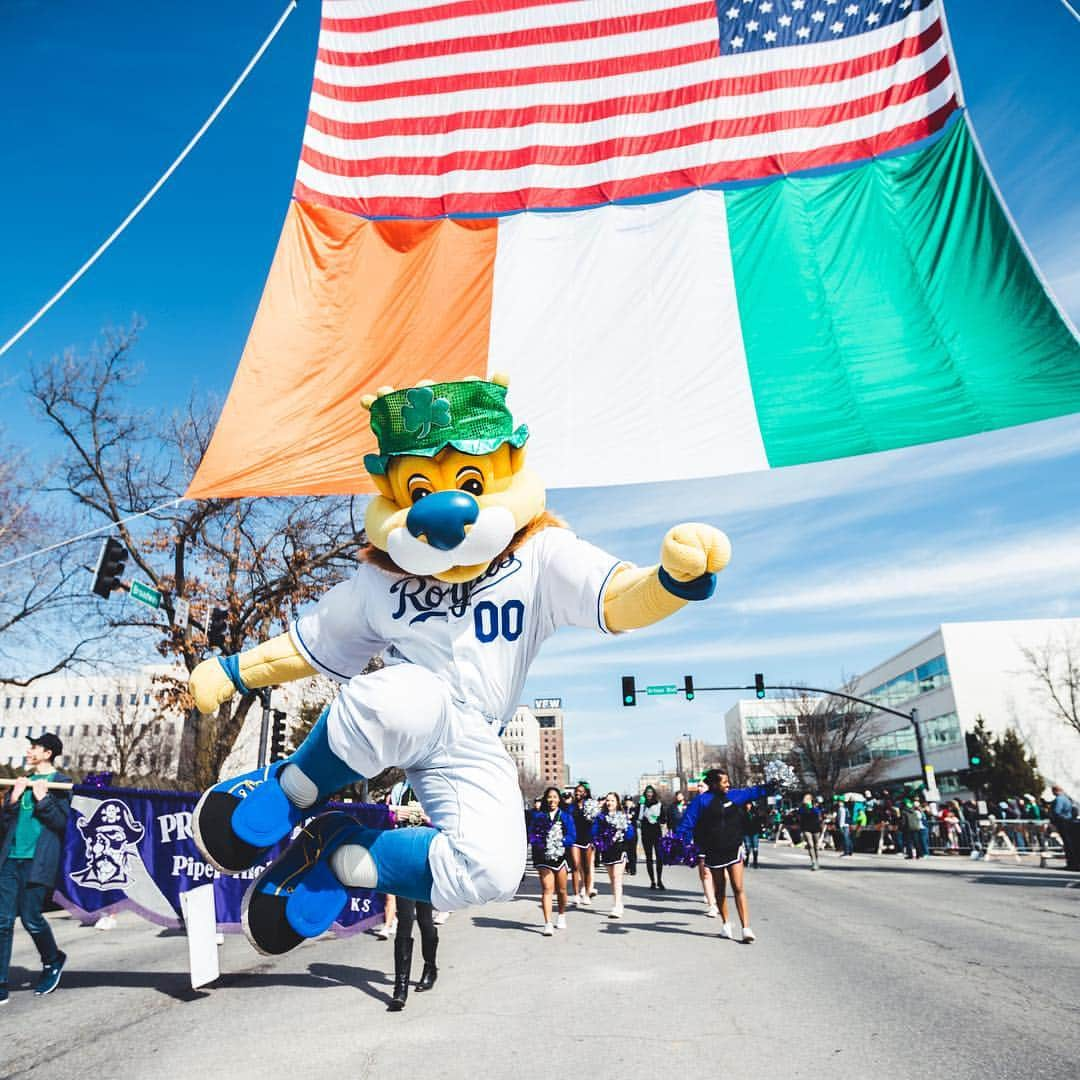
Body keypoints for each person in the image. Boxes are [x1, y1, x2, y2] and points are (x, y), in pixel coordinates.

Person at [0, 734, 72, 1004]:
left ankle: (53, 959)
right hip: (10, 859)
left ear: (48, 752)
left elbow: (63, 824)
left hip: (37, 861)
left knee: (31, 919)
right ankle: (1, 981)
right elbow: (6, 824)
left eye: (34, 747)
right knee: (2, 921)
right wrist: (14, 799)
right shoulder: (20, 781)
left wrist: (43, 800)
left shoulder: (62, 784)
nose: (29, 751)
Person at [677, 769, 771, 943]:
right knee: (720, 889)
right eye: (724, 782)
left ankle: (746, 928)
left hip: (733, 847)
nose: (728, 784)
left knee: (738, 887)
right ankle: (726, 923)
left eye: (728, 781)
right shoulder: (701, 801)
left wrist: (772, 787)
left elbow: (754, 792)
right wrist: (679, 841)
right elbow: (687, 823)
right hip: (713, 851)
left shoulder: (734, 796)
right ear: (714, 784)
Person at [386, 782, 439, 1011]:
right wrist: (396, 812)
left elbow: (448, 826)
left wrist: (428, 818)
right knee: (405, 921)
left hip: (426, 863)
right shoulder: (398, 789)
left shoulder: (434, 788)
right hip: (403, 862)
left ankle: (430, 967)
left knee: (426, 921)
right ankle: (401, 987)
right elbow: (386, 818)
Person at [529, 786, 576, 935]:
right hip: (543, 857)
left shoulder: (566, 816)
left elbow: (572, 835)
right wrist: (541, 842)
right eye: (549, 797)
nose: (552, 800)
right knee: (547, 889)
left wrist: (560, 841)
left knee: (561, 890)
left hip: (561, 856)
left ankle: (561, 914)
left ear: (559, 800)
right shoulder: (539, 817)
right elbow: (532, 834)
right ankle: (548, 923)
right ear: (545, 799)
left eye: (555, 797)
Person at [591, 792, 635, 918]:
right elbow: (594, 832)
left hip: (620, 849)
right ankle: (619, 902)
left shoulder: (622, 816)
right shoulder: (601, 817)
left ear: (617, 803)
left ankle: (616, 906)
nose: (609, 803)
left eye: (612, 801)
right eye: (608, 800)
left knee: (617, 877)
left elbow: (630, 834)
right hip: (607, 850)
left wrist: (625, 829)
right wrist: (601, 837)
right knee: (612, 879)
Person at [570, 784, 598, 907]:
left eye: (580, 791)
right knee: (575, 866)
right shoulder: (571, 807)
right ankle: (576, 895)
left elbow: (595, 821)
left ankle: (586, 894)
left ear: (585, 793)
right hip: (575, 840)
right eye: (576, 791)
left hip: (587, 839)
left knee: (586, 868)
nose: (577, 793)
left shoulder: (590, 805)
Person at [638, 786, 666, 889]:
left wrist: (657, 819)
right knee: (649, 858)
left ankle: (659, 880)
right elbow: (639, 818)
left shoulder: (659, 804)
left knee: (659, 857)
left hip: (656, 832)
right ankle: (652, 881)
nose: (649, 794)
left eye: (651, 792)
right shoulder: (642, 805)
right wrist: (641, 806)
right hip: (646, 833)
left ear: (654, 793)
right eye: (647, 792)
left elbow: (663, 819)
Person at [1049, 785, 1079, 869]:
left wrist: (1054, 820)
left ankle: (1071, 863)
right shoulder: (1066, 798)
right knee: (1070, 844)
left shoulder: (1059, 799)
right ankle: (1074, 863)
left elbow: (1056, 811)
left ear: (1055, 791)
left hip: (1063, 823)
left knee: (1067, 844)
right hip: (1069, 822)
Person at [798, 794, 823, 869]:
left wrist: (813, 807)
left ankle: (817, 860)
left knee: (816, 845)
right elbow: (799, 818)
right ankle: (813, 862)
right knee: (810, 844)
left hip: (815, 827)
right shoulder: (802, 808)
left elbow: (819, 816)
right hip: (806, 828)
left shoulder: (815, 807)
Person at [742, 799, 766, 869]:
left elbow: (758, 822)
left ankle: (755, 862)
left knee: (755, 847)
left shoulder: (755, 813)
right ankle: (746, 862)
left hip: (754, 832)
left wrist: (760, 830)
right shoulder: (743, 813)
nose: (748, 806)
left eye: (750, 804)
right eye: (747, 804)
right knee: (747, 847)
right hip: (746, 832)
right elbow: (741, 823)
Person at [622, 795, 640, 877]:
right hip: (624, 834)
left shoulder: (635, 809)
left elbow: (637, 816)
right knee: (625, 851)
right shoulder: (622, 810)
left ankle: (633, 869)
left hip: (633, 833)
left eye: (629, 801)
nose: (628, 802)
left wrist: (631, 816)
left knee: (632, 851)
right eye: (626, 801)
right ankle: (626, 865)